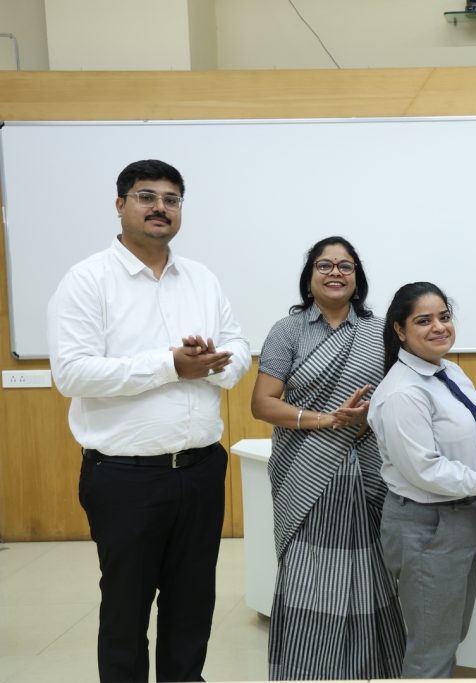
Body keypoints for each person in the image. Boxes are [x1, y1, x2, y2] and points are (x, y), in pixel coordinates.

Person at [47, 159, 251, 683]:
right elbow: (72, 373)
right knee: (126, 610)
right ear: (120, 205)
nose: (160, 207)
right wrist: (170, 365)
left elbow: (237, 344)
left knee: (192, 606)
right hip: (125, 477)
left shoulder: (201, 278)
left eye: (171, 199)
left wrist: (215, 364)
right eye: (146, 196)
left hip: (201, 470)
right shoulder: (87, 280)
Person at [250, 236, 404, 680]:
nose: (335, 272)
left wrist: (366, 417)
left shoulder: (381, 332)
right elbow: (262, 404)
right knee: (308, 573)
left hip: (368, 470)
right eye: (325, 265)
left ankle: (371, 669)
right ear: (310, 276)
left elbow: (401, 396)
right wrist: (326, 421)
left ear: (357, 277)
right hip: (304, 471)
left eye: (345, 266)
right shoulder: (288, 331)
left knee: (368, 569)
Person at [367, 281, 476, 678]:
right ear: (399, 330)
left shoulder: (449, 371)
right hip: (427, 525)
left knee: (448, 633)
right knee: (431, 647)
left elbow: (459, 439)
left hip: (461, 517)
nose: (439, 327)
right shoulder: (402, 393)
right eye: (424, 321)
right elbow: (425, 470)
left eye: (444, 317)